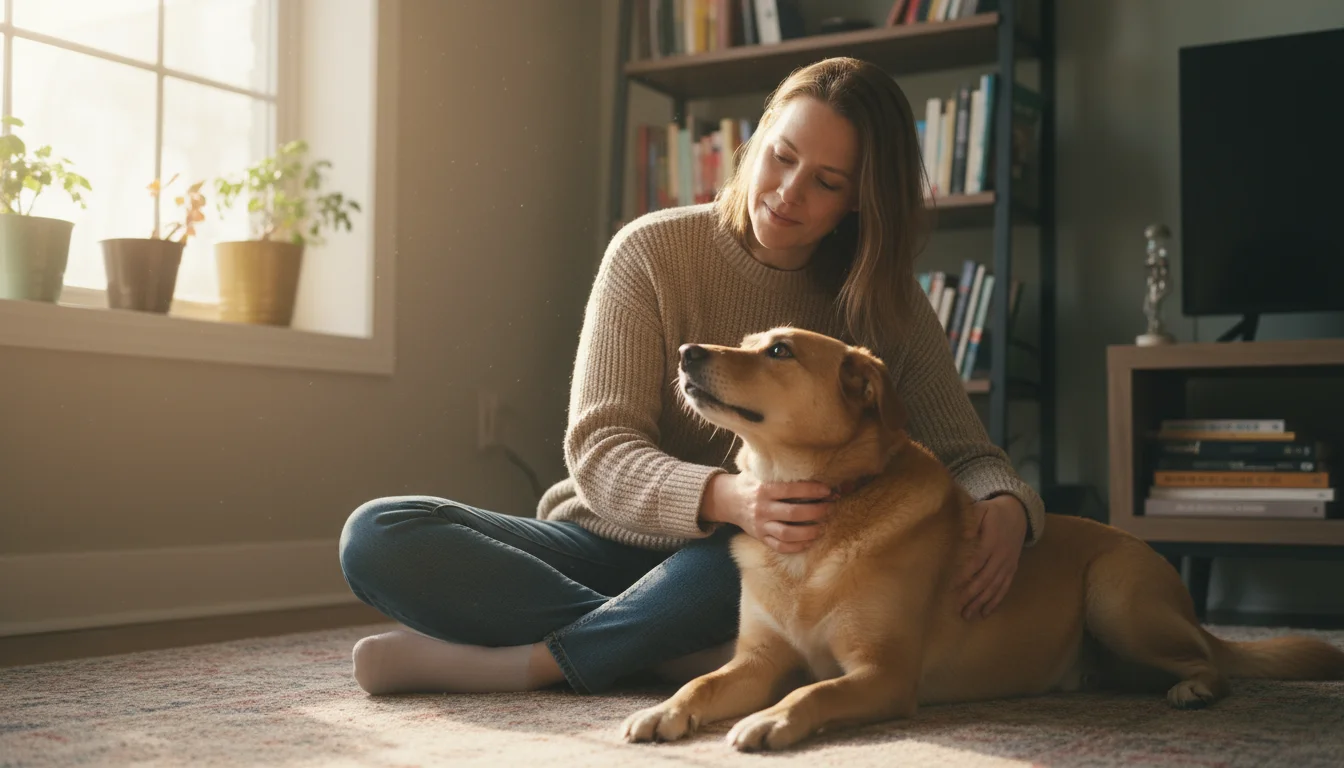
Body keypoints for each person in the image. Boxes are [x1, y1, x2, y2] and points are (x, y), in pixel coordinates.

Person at [337, 56, 1045, 697]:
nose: (789, 193)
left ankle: (530, 663)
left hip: (748, 565)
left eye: (826, 182)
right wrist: (728, 496)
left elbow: (970, 456)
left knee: (761, 556)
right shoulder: (650, 252)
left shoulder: (883, 303)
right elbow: (599, 449)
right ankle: (680, 656)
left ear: (858, 201)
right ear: (760, 136)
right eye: (782, 156)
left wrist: (1010, 508)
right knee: (378, 534)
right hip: (601, 545)